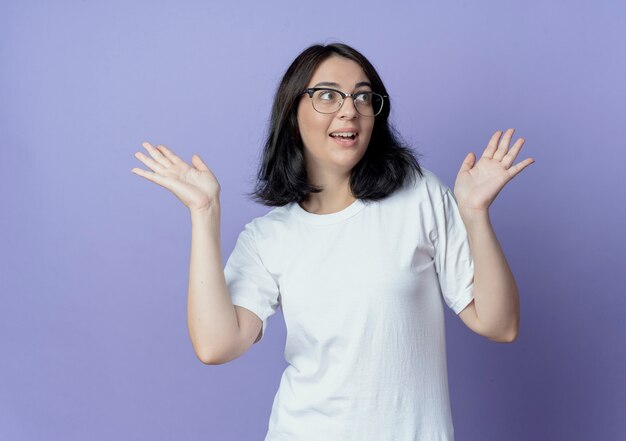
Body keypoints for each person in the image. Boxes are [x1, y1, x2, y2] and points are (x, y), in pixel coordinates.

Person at [131, 42, 534, 441]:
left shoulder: (418, 195)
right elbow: (216, 345)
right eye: (327, 95)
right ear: (292, 115)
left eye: (362, 96)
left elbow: (500, 324)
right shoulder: (268, 237)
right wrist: (204, 213)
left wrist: (475, 215)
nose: (350, 109)